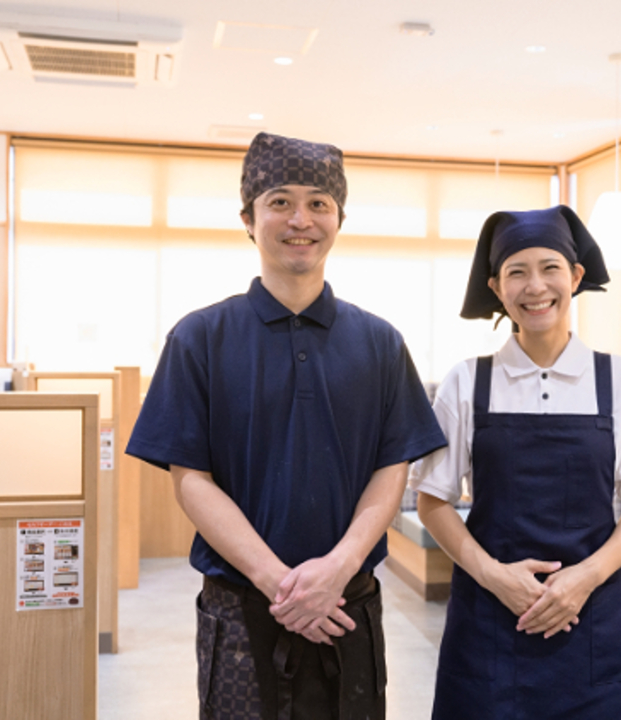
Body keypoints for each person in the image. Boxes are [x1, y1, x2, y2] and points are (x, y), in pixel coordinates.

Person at [126, 132, 447, 720]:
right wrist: (279, 582)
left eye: (318, 203)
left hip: (347, 607)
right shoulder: (199, 338)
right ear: (248, 219)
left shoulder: (379, 342)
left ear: (339, 219)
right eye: (280, 202)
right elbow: (190, 478)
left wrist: (337, 570)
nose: (301, 220)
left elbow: (391, 468)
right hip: (241, 610)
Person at [410, 206, 621, 719]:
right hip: (489, 626)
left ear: (575, 276)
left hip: (591, 623)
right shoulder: (467, 382)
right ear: (496, 287)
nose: (535, 287)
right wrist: (495, 577)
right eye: (517, 272)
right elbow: (432, 501)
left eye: (550, 267)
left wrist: (585, 577)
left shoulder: (620, 380)